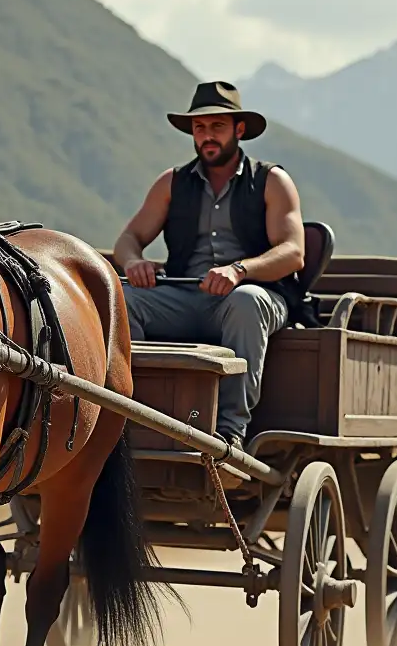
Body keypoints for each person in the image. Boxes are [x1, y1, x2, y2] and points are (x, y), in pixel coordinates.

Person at [113, 80, 305, 450]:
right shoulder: (171, 183)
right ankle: (133, 418)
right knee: (124, 298)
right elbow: (127, 239)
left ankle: (230, 431)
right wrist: (135, 261)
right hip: (184, 297)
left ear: (240, 129)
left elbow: (293, 252)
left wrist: (240, 270)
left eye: (217, 126)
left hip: (255, 296)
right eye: (199, 128)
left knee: (246, 301)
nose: (207, 136)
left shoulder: (272, 181)